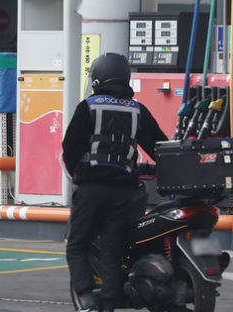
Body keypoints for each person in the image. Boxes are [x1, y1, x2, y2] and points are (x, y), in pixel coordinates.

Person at [62, 53, 168, 312]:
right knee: (112, 249)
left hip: (91, 188)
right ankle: (109, 304)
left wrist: (80, 173)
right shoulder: (137, 110)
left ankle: (86, 299)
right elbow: (159, 147)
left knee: (77, 243)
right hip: (124, 192)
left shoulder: (88, 107)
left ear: (97, 78)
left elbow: (70, 147)